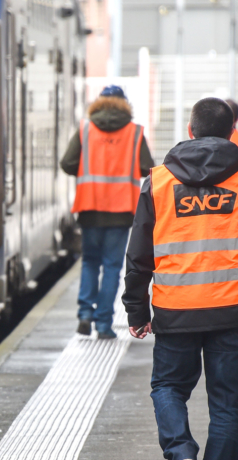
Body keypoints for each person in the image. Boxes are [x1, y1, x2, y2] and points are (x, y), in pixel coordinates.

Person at [123, 98, 238, 460]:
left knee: (167, 388)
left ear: (191, 130)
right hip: (233, 310)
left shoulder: (158, 182)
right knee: (228, 405)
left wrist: (137, 311)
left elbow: (139, 254)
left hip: (175, 309)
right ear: (232, 131)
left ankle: (180, 451)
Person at [60, 85, 154, 339]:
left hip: (90, 207)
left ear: (99, 103)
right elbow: (148, 168)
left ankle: (84, 314)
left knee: (90, 261)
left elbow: (67, 163)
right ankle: (103, 324)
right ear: (124, 104)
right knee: (112, 266)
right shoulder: (134, 132)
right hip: (121, 209)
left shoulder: (85, 129)